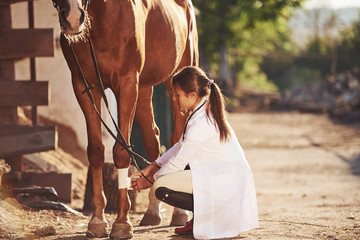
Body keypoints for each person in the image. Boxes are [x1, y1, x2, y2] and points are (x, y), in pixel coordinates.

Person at [131, 66, 258, 239]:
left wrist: (150, 181)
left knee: (161, 187)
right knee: (161, 179)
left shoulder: (201, 123)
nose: (174, 99)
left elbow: (178, 163)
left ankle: (205, 216)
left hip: (225, 181)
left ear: (192, 95)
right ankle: (201, 217)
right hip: (220, 176)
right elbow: (179, 147)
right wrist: (153, 167)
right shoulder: (201, 112)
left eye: (178, 95)